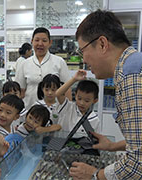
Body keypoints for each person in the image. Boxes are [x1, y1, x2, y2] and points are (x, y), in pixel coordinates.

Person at [69, 9, 142, 180]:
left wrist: (96, 174)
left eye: (82, 51)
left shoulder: (131, 77)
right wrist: (113, 146)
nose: (83, 60)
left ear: (102, 44)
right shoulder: (133, 66)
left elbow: (138, 163)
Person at [15, 27, 71, 109]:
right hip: (30, 111)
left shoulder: (59, 62)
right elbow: (20, 91)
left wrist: (68, 111)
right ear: (32, 41)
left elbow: (67, 89)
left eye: (44, 41)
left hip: (54, 112)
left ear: (50, 43)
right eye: (37, 40)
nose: (40, 44)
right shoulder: (25, 64)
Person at [56, 70, 100, 135]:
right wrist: (74, 79)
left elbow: (96, 140)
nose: (82, 103)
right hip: (61, 143)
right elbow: (58, 94)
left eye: (87, 101)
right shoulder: (68, 107)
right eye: (79, 99)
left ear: (95, 100)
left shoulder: (94, 119)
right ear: (75, 95)